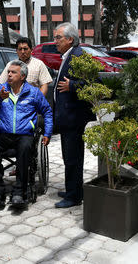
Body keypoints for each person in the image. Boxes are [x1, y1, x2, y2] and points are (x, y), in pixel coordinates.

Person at [0, 60, 53, 209]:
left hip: (24, 134)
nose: (9, 74)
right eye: (8, 72)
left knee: (25, 148)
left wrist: (47, 132)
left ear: (22, 76)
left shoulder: (33, 92)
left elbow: (47, 111)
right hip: (3, 134)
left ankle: (19, 190)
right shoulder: (2, 89)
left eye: (13, 72)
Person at [52, 22, 96, 209]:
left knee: (73, 158)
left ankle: (74, 197)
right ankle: (73, 189)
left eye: (58, 38)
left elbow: (94, 84)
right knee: (69, 157)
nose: (55, 41)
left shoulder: (78, 56)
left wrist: (72, 86)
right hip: (67, 117)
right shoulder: (68, 56)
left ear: (70, 39)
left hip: (74, 118)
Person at [0, 36, 52, 176]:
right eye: (20, 49)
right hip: (13, 106)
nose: (23, 51)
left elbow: (44, 84)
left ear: (31, 50)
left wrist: (37, 100)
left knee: (29, 136)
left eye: (25, 49)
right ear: (16, 51)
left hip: (31, 105)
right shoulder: (11, 65)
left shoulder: (38, 64)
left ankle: (25, 165)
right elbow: (2, 84)